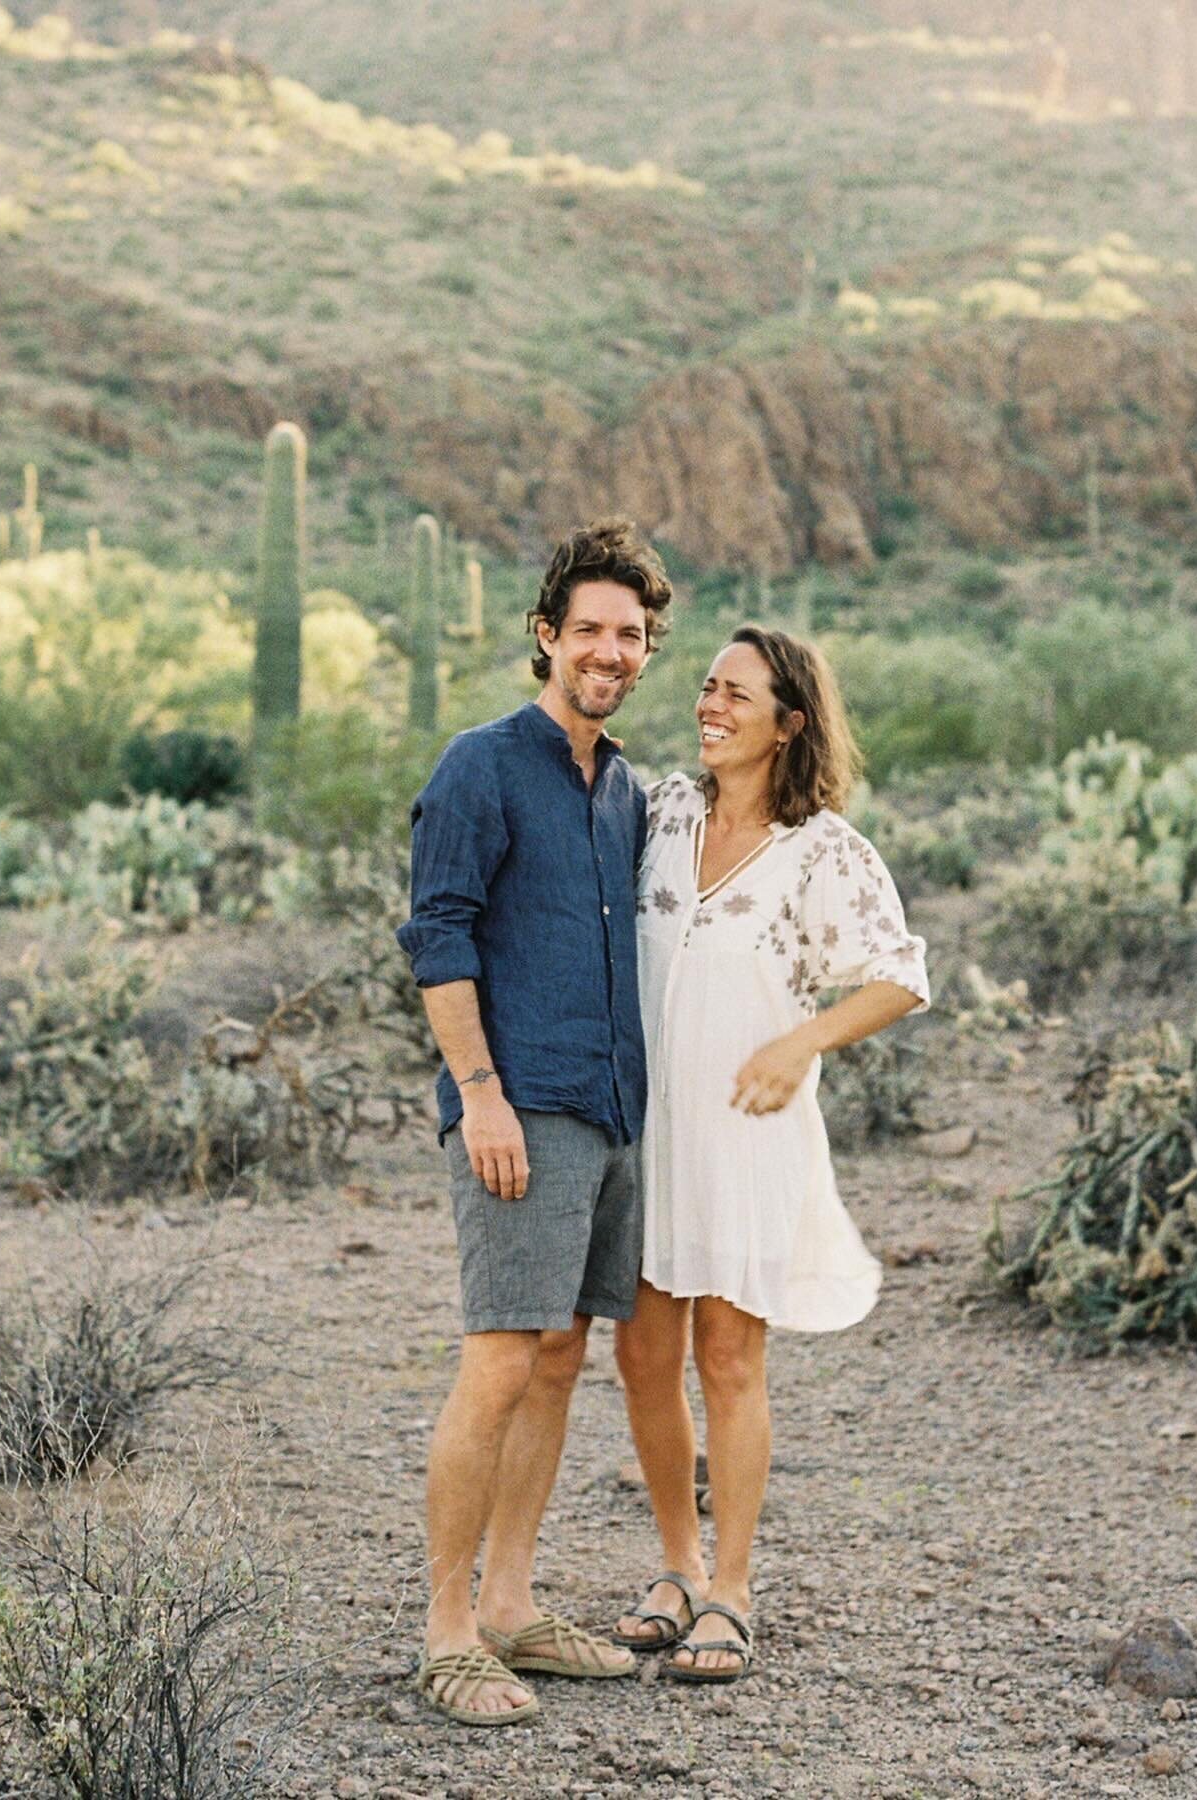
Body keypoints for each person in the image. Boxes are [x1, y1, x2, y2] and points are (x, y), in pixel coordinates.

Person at [612, 625, 929, 1684]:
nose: (710, 705)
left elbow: (899, 975)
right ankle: (675, 1565)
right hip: (648, 1126)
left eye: (736, 694)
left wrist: (802, 1041)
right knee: (645, 1359)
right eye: (705, 687)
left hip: (746, 1132)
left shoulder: (823, 848)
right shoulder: (661, 811)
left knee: (730, 1359)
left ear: (789, 722)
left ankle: (733, 1590)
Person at [396, 519, 672, 1725]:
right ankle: (447, 1630)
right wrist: (482, 1096)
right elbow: (439, 935)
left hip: (610, 1112)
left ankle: (511, 1602)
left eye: (633, 635)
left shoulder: (627, 790)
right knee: (502, 1359)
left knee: (562, 1356)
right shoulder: (481, 764)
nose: (608, 651)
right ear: (547, 635)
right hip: (522, 1108)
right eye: (591, 630)